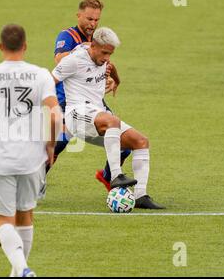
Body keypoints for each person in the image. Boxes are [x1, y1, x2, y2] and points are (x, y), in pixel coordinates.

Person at [0, 24, 62, 276]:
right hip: (32, 158)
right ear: (25, 46)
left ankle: (21, 269)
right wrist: (51, 144)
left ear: (1, 47)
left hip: (1, 159)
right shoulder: (41, 75)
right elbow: (55, 116)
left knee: (3, 219)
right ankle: (19, 273)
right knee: (25, 216)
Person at [52, 27, 165, 209]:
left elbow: (111, 67)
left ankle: (140, 196)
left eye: (110, 54)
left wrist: (116, 80)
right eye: (104, 53)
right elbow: (49, 81)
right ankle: (115, 176)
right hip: (77, 115)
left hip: (96, 117)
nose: (106, 58)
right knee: (113, 120)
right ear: (93, 45)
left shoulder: (102, 57)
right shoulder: (73, 61)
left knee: (141, 141)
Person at [48, 0, 133, 198]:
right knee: (57, 144)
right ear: (79, 15)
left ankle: (109, 175)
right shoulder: (68, 35)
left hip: (93, 101)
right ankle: (34, 184)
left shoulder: (99, 38)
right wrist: (88, 47)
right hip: (66, 100)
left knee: (125, 142)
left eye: (96, 20)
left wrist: (113, 79)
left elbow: (107, 62)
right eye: (89, 19)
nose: (92, 24)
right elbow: (60, 59)